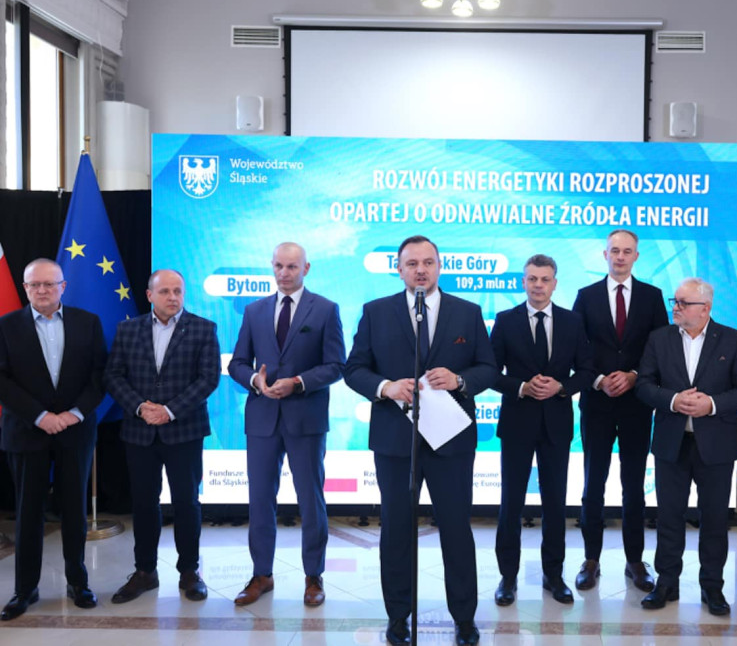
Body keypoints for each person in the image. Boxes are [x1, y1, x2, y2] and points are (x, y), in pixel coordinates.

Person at [344, 235, 497, 646]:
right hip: (396, 443)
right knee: (396, 531)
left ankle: (464, 618)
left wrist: (460, 380)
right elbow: (354, 369)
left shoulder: (468, 312)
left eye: (428, 262)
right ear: (399, 270)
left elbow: (489, 368)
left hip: (451, 442)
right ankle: (398, 617)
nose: (421, 270)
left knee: (456, 530)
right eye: (412, 264)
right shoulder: (376, 312)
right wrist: (386, 387)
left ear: (439, 266)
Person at [228, 242, 345, 608]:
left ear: (306, 268)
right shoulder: (254, 310)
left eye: (292, 266)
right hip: (262, 418)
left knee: (310, 499)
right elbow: (237, 363)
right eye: (278, 265)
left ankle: (314, 576)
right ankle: (261, 574)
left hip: (306, 418)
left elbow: (336, 365)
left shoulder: (325, 309)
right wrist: (255, 380)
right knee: (260, 499)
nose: (284, 273)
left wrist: (297, 382)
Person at [635, 278, 737, 616]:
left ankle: (712, 586)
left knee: (715, 518)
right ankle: (666, 583)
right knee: (669, 516)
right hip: (671, 443)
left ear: (705, 308)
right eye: (674, 301)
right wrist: (673, 400)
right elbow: (643, 385)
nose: (675, 308)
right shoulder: (659, 338)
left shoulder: (731, 339)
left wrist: (712, 405)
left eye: (683, 303)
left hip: (717, 445)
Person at [104, 269, 221, 603]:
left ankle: (189, 572)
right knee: (143, 503)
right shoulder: (128, 329)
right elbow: (113, 376)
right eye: (165, 291)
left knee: (187, 502)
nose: (173, 297)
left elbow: (208, 378)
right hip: (139, 431)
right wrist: (140, 407)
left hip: (184, 430)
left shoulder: (203, 328)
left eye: (178, 291)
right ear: (149, 295)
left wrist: (169, 411)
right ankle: (145, 572)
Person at [0, 258, 106, 621]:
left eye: (49, 284)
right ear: (25, 288)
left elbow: (99, 376)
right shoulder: (6, 326)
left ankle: (78, 582)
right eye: (35, 285)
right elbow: (2, 380)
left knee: (74, 510)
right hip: (26, 431)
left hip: (75, 430)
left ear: (63, 286)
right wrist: (40, 416)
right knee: (28, 513)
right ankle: (24, 589)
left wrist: (73, 414)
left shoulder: (88, 323)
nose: (42, 290)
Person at [490, 255, 593, 607]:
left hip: (556, 424)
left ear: (554, 283)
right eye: (532, 279)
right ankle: (507, 576)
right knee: (511, 502)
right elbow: (490, 371)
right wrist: (520, 387)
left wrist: (562, 387)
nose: (538, 285)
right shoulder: (505, 321)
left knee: (554, 502)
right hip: (517, 422)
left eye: (544, 279)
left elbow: (587, 371)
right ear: (523, 282)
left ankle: (554, 575)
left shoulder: (572, 321)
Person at [572, 229, 668, 593]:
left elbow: (660, 348)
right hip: (596, 402)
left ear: (636, 256)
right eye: (615, 250)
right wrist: (598, 379)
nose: (620, 257)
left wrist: (633, 376)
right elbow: (576, 348)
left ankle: (635, 561)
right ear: (605, 254)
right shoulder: (586, 296)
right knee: (592, 483)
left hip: (636, 404)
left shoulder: (652, 296)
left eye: (627, 251)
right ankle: (590, 559)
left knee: (633, 485)